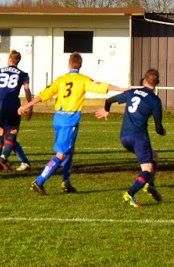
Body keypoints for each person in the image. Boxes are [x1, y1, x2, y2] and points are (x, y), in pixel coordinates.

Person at [24, 52, 115, 196]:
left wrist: (26, 105)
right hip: (69, 119)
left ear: (69, 64)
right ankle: (39, 181)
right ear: (80, 65)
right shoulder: (83, 80)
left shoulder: (61, 80)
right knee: (61, 154)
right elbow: (103, 86)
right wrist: (124, 89)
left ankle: (66, 182)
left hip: (58, 118)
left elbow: (44, 94)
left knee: (69, 150)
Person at [97, 68, 166, 207]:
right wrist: (163, 132)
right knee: (146, 169)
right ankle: (130, 194)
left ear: (144, 80)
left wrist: (106, 111)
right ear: (157, 83)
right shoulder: (154, 100)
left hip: (124, 137)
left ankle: (149, 185)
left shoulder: (131, 92)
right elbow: (158, 128)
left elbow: (109, 100)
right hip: (139, 138)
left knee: (154, 156)